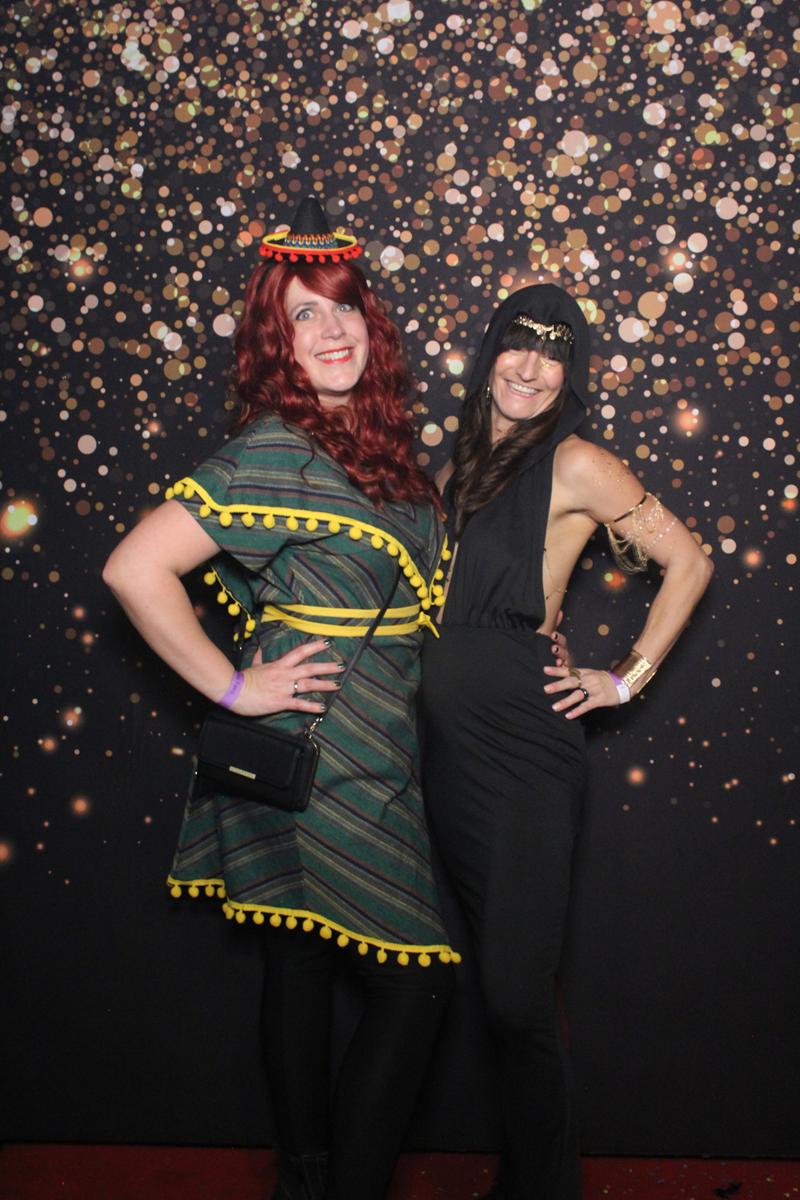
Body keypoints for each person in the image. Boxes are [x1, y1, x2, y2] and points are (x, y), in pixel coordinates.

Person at [103, 197, 459, 1200]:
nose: (330, 329)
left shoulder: (379, 449)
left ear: (370, 324)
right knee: (417, 983)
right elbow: (134, 568)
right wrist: (233, 685)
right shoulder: (276, 448)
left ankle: (304, 1179)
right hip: (321, 750)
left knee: (298, 963)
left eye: (343, 308)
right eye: (304, 314)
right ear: (277, 341)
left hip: (382, 741)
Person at [419, 283, 714, 1200]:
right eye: (520, 343)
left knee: (514, 992)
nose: (533, 366)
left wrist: (625, 677)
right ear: (489, 354)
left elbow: (690, 560)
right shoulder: (451, 470)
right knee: (492, 989)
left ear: (570, 374)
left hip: (523, 752)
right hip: (445, 754)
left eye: (556, 353)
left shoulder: (579, 462)